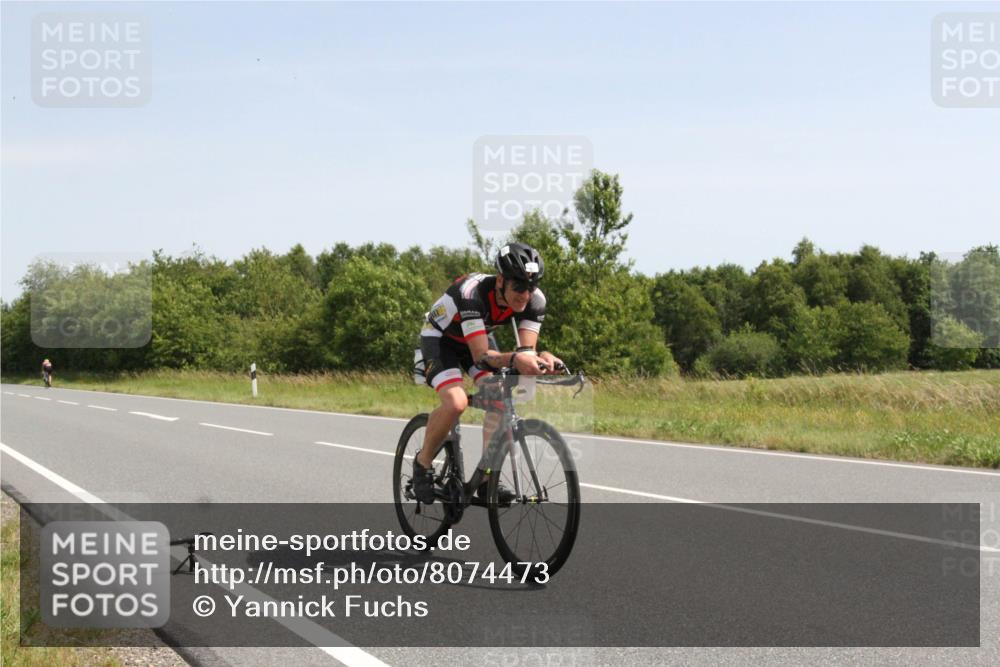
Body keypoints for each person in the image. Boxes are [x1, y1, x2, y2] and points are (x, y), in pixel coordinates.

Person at [413, 242, 563, 505]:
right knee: (456, 402)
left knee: (498, 396)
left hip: (477, 337)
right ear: (501, 280)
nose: (525, 295)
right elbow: (482, 356)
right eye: (519, 287)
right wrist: (516, 359)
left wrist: (542, 358)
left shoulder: (536, 301)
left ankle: (485, 479)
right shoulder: (472, 293)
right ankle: (422, 463)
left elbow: (526, 351)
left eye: (531, 287)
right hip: (441, 339)